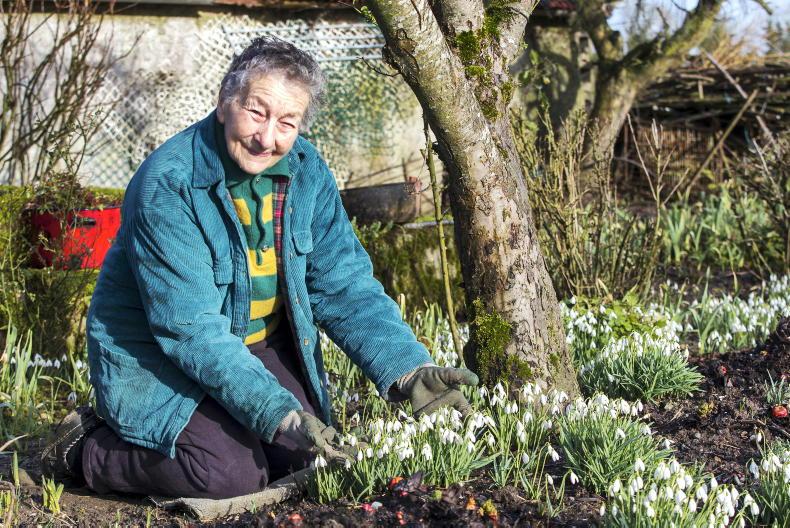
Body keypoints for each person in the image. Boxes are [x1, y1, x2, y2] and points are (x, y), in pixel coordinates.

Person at [41, 37, 478, 500]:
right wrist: (273, 408)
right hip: (157, 355)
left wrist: (407, 370)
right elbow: (189, 330)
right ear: (225, 102)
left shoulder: (307, 172)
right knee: (227, 476)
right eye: (257, 112)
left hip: (251, 343)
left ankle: (233, 428)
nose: (267, 138)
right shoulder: (168, 185)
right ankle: (85, 449)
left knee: (308, 458)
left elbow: (345, 286)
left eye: (286, 122)